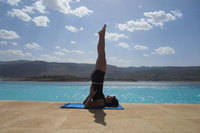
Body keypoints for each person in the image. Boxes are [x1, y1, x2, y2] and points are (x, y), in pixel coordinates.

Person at [83, 24, 119, 108]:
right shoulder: (102, 101)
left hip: (98, 78)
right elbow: (84, 102)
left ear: (110, 102)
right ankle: (101, 35)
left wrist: (91, 95)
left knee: (102, 54)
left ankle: (102, 35)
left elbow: (86, 106)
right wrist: (90, 95)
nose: (109, 96)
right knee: (101, 54)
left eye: (111, 98)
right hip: (96, 79)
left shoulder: (101, 103)